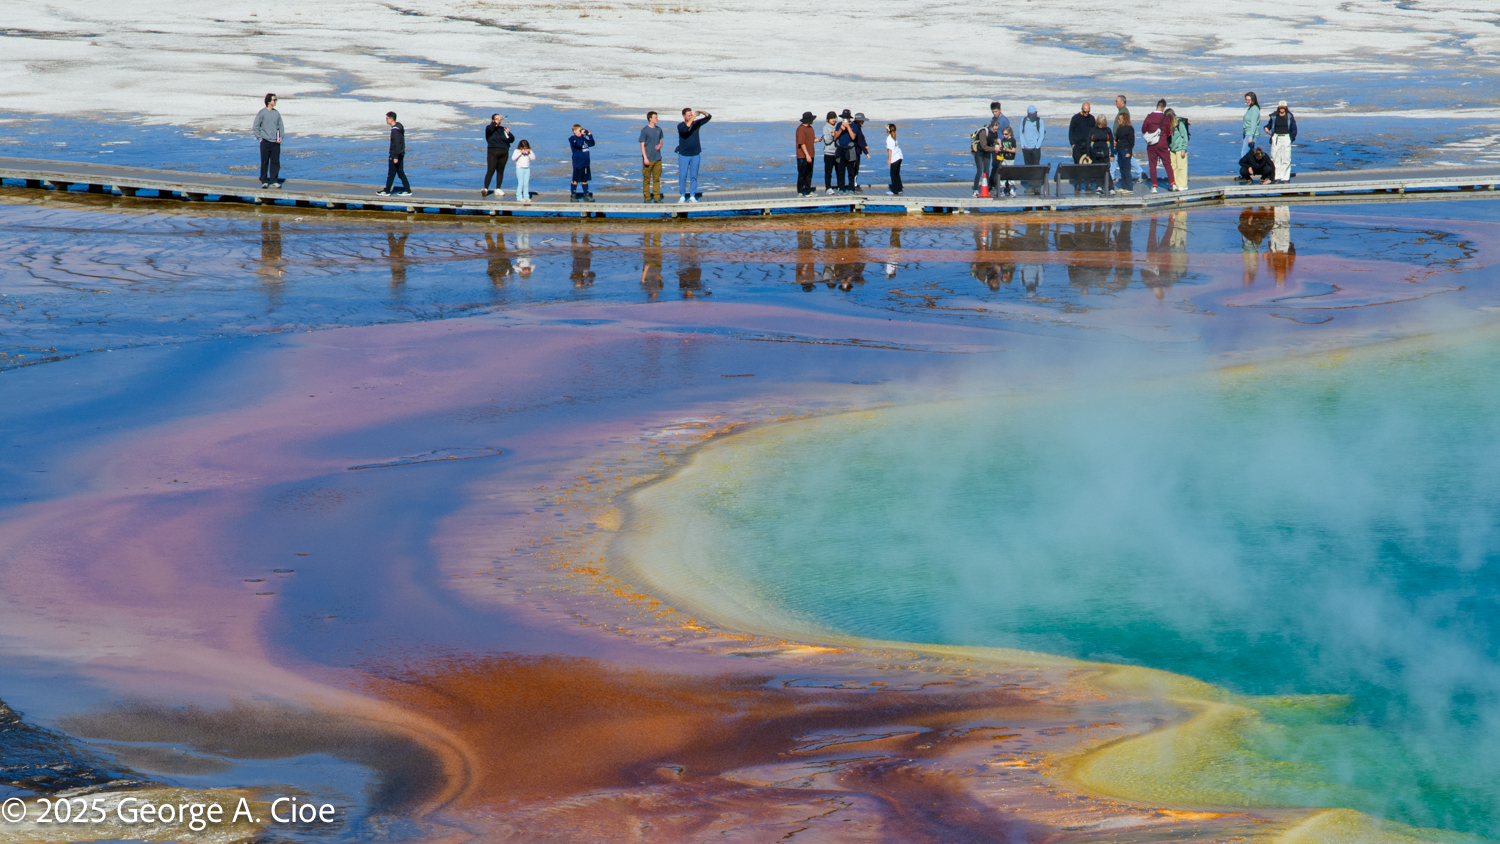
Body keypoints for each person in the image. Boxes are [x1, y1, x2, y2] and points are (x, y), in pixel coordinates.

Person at [675, 107, 712, 203]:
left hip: (695, 154)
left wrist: (702, 112)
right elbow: (686, 129)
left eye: (691, 115)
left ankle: (692, 196)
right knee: (682, 175)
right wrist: (693, 118)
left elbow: (709, 117)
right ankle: (682, 196)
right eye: (689, 115)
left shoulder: (696, 124)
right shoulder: (680, 126)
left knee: (694, 176)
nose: (691, 116)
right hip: (684, 154)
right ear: (684, 116)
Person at [1141, 100, 1173, 194]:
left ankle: (1154, 186)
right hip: (1162, 143)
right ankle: (1173, 183)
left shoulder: (1149, 116)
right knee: (1167, 163)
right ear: (1164, 108)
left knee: (1152, 165)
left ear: (1156, 106)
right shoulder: (1165, 118)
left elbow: (1143, 129)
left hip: (1152, 144)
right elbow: (1168, 132)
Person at [253, 93, 283, 189]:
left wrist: (281, 136)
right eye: (274, 100)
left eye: (276, 100)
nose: (275, 101)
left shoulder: (276, 113)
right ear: (269, 101)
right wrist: (260, 138)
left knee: (275, 162)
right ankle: (264, 181)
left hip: (275, 142)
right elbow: (256, 126)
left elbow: (281, 126)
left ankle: (274, 181)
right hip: (265, 141)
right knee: (264, 162)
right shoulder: (262, 113)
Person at [376, 111, 410, 197]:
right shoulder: (398, 127)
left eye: (387, 118)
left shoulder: (395, 130)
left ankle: (387, 191)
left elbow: (397, 144)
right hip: (400, 154)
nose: (386, 120)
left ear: (391, 119)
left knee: (391, 173)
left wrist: (395, 157)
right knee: (400, 172)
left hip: (396, 155)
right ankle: (407, 189)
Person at [1264, 100, 1298, 183]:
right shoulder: (1274, 116)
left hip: (1286, 137)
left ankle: (1285, 178)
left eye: (1283, 108)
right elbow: (1269, 125)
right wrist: (1266, 128)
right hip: (1276, 137)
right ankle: (1276, 177)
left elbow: (1294, 129)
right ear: (1278, 108)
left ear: (1286, 108)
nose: (1282, 109)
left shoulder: (1289, 116)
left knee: (1286, 157)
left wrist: (1291, 139)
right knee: (1275, 157)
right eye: (1280, 108)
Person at [482, 114, 514, 198]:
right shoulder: (489, 128)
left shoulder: (502, 129)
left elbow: (512, 139)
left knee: (500, 170)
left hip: (504, 151)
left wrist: (508, 133)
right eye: (497, 119)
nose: (499, 120)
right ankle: (485, 188)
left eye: (499, 119)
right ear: (493, 120)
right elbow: (491, 128)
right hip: (493, 151)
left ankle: (498, 188)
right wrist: (494, 122)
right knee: (491, 170)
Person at [638, 111, 665, 203]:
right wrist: (645, 158)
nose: (657, 119)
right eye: (655, 117)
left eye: (657, 117)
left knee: (657, 179)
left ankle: (657, 197)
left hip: (657, 158)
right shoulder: (645, 130)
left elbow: (660, 140)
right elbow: (642, 144)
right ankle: (647, 197)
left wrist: (660, 145)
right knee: (647, 179)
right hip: (648, 158)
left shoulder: (659, 129)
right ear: (650, 119)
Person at [1019, 105, 1045, 195]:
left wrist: (1037, 146)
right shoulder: (1024, 121)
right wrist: (1023, 145)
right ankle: (1031, 186)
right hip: (1026, 148)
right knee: (1028, 168)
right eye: (1031, 114)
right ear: (1028, 114)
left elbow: (1041, 134)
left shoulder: (1039, 121)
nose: (1033, 116)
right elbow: (1021, 133)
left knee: (1036, 168)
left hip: (1035, 149)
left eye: (1034, 114)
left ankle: (1037, 187)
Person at [568, 124, 596, 202]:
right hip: (578, 163)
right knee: (575, 180)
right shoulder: (573, 139)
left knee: (585, 179)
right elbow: (579, 144)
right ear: (574, 131)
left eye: (581, 130)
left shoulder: (583, 139)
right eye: (580, 131)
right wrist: (582, 136)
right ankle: (573, 195)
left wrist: (589, 135)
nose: (581, 132)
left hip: (586, 163)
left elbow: (592, 143)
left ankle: (586, 195)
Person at [1087, 116, 1114, 195]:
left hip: (1105, 153)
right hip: (1095, 153)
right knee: (1098, 170)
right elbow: (1088, 142)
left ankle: (1110, 187)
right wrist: (1088, 154)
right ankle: (1099, 187)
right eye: (1099, 124)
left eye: (1101, 124)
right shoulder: (1093, 130)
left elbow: (1111, 142)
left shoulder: (1108, 130)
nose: (1100, 125)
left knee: (1106, 170)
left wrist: (1112, 154)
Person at [971, 115, 996, 196]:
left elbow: (994, 142)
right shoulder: (983, 132)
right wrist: (994, 149)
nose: (996, 131)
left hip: (987, 153)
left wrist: (997, 143)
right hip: (979, 152)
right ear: (991, 127)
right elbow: (984, 146)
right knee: (979, 171)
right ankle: (975, 190)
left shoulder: (994, 133)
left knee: (987, 171)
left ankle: (987, 189)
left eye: (997, 129)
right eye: (994, 129)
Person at [834, 110, 858, 194]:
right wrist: (841, 129)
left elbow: (853, 137)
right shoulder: (838, 125)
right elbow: (835, 137)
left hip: (850, 150)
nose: (844, 119)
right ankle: (841, 188)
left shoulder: (854, 125)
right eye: (843, 118)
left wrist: (848, 127)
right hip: (841, 150)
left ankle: (851, 188)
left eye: (846, 118)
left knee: (851, 171)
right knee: (841, 171)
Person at [1167, 108, 1190, 190]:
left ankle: (1183, 185)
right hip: (1172, 148)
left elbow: (1185, 137)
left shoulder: (1179, 123)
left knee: (1181, 167)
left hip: (1180, 148)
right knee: (1173, 167)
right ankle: (1175, 183)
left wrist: (1183, 149)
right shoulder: (1170, 124)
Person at [795, 112, 817, 196]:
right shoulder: (800, 129)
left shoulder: (810, 128)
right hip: (802, 156)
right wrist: (807, 155)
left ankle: (808, 190)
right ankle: (800, 191)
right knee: (802, 174)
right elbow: (802, 143)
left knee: (809, 173)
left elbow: (811, 139)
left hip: (811, 154)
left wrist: (817, 140)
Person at [992, 125, 1017, 197]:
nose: (1004, 135)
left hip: (1010, 159)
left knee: (1010, 174)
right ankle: (1001, 190)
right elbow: (1002, 148)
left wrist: (1007, 150)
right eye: (1003, 134)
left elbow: (1013, 150)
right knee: (1003, 174)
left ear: (1009, 133)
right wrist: (999, 144)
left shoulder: (1012, 140)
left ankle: (1012, 190)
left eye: (1006, 134)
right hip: (1004, 159)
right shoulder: (1003, 140)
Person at [1114, 112, 1135, 194]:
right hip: (1119, 150)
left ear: (1124, 120)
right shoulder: (1119, 128)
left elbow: (1131, 142)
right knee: (1122, 169)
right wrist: (1116, 142)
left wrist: (1129, 152)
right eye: (1118, 119)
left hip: (1125, 150)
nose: (1118, 121)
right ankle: (1124, 186)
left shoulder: (1129, 129)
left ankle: (1129, 187)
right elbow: (1118, 138)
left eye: (1120, 119)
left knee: (1126, 169)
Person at [849, 112, 870, 192]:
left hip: (855, 150)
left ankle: (853, 183)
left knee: (854, 168)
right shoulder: (856, 127)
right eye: (862, 120)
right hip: (855, 151)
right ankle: (853, 185)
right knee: (855, 168)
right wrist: (866, 152)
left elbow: (862, 139)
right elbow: (860, 141)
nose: (863, 122)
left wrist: (865, 145)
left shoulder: (856, 127)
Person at [886, 123, 904, 196]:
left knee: (893, 174)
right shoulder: (894, 137)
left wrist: (889, 160)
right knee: (897, 173)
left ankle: (894, 190)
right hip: (899, 156)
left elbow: (890, 150)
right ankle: (899, 188)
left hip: (895, 157)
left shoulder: (889, 138)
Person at [1242, 93, 1261, 157]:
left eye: (1248, 100)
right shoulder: (1250, 108)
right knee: (1249, 155)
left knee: (1244, 155)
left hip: (1251, 134)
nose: (1247, 101)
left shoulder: (1254, 109)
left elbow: (1253, 123)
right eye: (1246, 100)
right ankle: (1250, 167)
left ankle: (1246, 167)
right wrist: (1244, 135)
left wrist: (1250, 137)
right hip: (1248, 134)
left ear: (1253, 99)